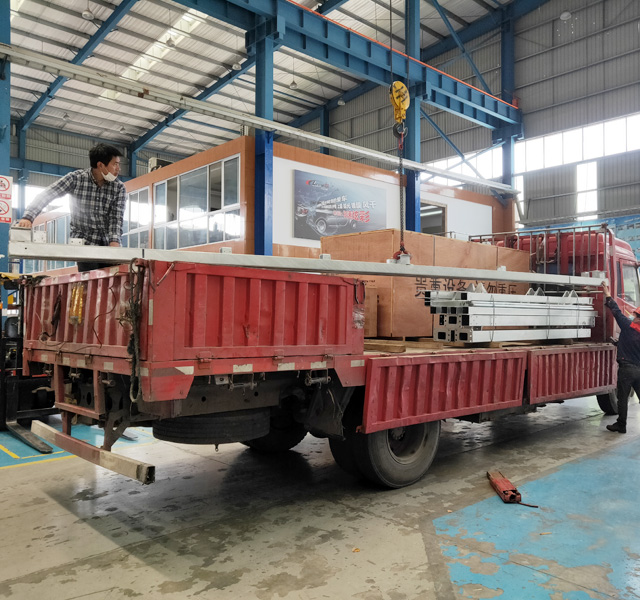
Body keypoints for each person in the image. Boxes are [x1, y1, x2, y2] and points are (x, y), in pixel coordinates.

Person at [17, 143, 126, 272]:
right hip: (84, 244)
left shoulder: (119, 188)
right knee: (90, 280)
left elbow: (116, 218)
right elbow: (48, 194)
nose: (118, 169)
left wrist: (114, 243)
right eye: (115, 164)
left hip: (107, 245)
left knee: (113, 281)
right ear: (100, 165)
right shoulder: (76, 179)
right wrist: (28, 217)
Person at [602, 281, 640, 433]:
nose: (633, 316)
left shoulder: (628, 326)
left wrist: (607, 294)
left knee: (622, 399)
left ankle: (621, 425)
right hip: (639, 370)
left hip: (627, 370)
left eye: (635, 315)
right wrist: (620, 344)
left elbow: (616, 311)